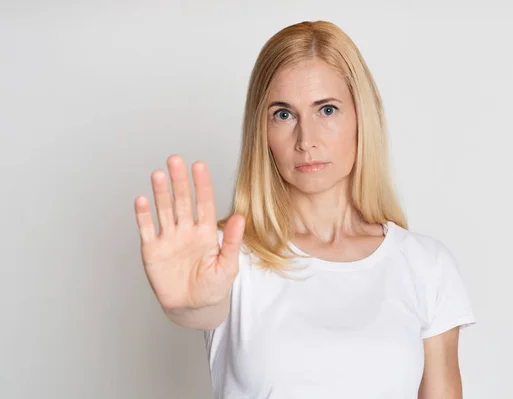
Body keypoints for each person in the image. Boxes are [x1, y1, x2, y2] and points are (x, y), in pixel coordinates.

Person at [134, 20, 476, 399]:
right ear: (261, 131)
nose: (306, 140)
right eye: (283, 114)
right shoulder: (226, 258)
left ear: (363, 116)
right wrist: (185, 305)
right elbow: (201, 307)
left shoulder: (426, 266)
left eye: (326, 110)